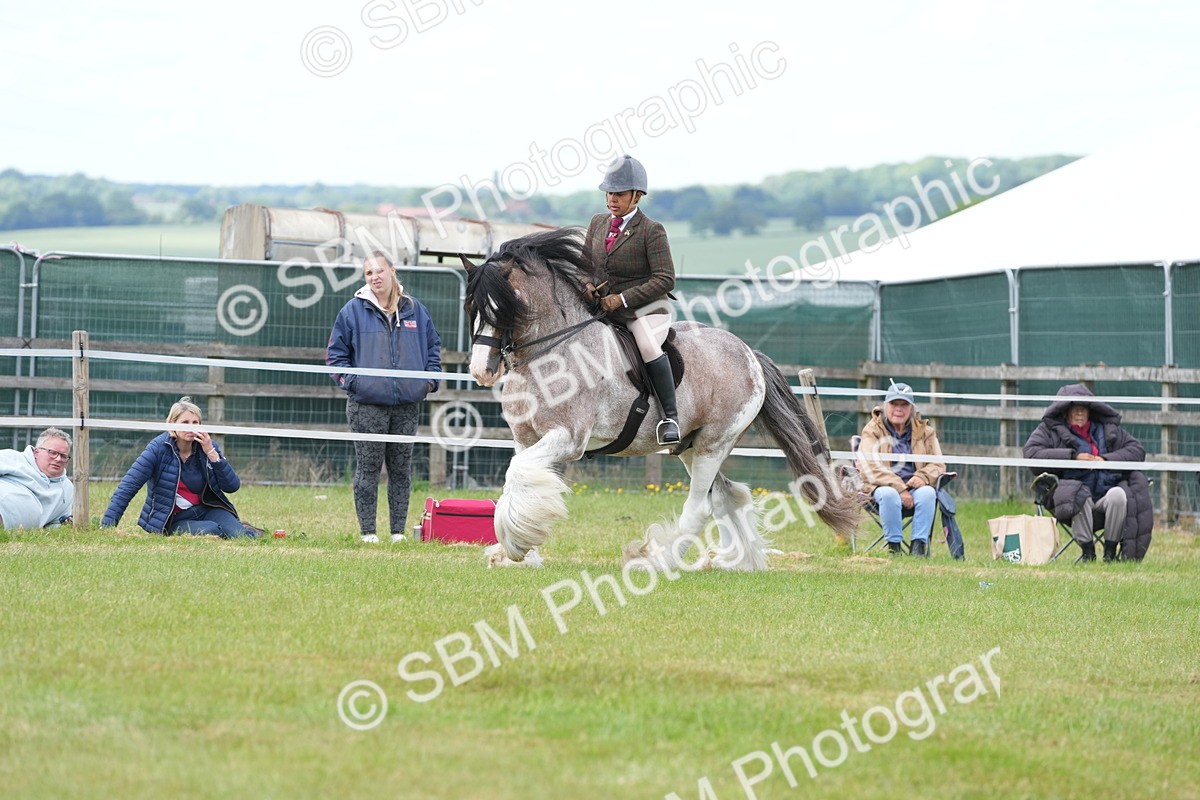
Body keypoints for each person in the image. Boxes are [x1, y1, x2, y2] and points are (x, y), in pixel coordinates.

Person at [327, 250, 442, 544]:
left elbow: (433, 349)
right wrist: (355, 383)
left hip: (407, 405)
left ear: (392, 272)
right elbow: (336, 357)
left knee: (401, 470)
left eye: (379, 271)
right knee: (368, 469)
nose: (375, 277)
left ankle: (397, 533)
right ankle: (368, 533)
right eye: (368, 273)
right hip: (366, 406)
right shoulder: (352, 311)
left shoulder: (416, 309)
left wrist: (428, 382)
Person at [583, 154, 680, 446]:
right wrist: (586, 283)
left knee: (648, 345)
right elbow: (584, 265)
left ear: (637, 195)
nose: (612, 199)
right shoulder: (598, 223)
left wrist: (622, 299)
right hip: (605, 308)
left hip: (647, 309)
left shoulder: (651, 230)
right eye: (610, 193)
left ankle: (670, 417)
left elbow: (665, 278)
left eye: (620, 194)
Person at [1023, 383, 1152, 561]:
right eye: (1074, 409)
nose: (1079, 413)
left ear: (1090, 410)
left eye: (1083, 409)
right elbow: (1031, 454)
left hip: (1105, 501)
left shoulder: (1106, 429)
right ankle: (1087, 552)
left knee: (1118, 495)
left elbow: (1137, 450)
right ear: (1064, 411)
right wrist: (1072, 458)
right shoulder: (1049, 431)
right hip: (1071, 505)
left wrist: (1106, 460)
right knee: (1078, 493)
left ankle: (1110, 552)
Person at [101, 397, 257, 538]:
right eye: (185, 423)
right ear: (172, 424)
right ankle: (225, 530)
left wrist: (212, 453)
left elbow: (232, 486)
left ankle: (241, 530)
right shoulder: (157, 448)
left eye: (195, 423)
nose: (191, 427)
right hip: (174, 518)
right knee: (211, 529)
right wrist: (107, 526)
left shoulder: (209, 447)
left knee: (241, 536)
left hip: (207, 509)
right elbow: (128, 486)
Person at [856, 382, 946, 556]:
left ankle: (918, 549)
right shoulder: (872, 430)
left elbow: (938, 464)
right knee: (889, 495)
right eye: (894, 404)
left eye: (904, 404)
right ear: (885, 406)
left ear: (911, 408)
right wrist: (900, 487)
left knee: (928, 493)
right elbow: (868, 464)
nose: (899, 409)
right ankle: (894, 548)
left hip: (914, 489)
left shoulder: (926, 432)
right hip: (879, 488)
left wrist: (923, 477)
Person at [0, 427, 74, 530]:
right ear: (36, 452)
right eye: (52, 453)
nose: (58, 459)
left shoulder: (66, 488)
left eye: (63, 456)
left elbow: (56, 522)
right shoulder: (12, 458)